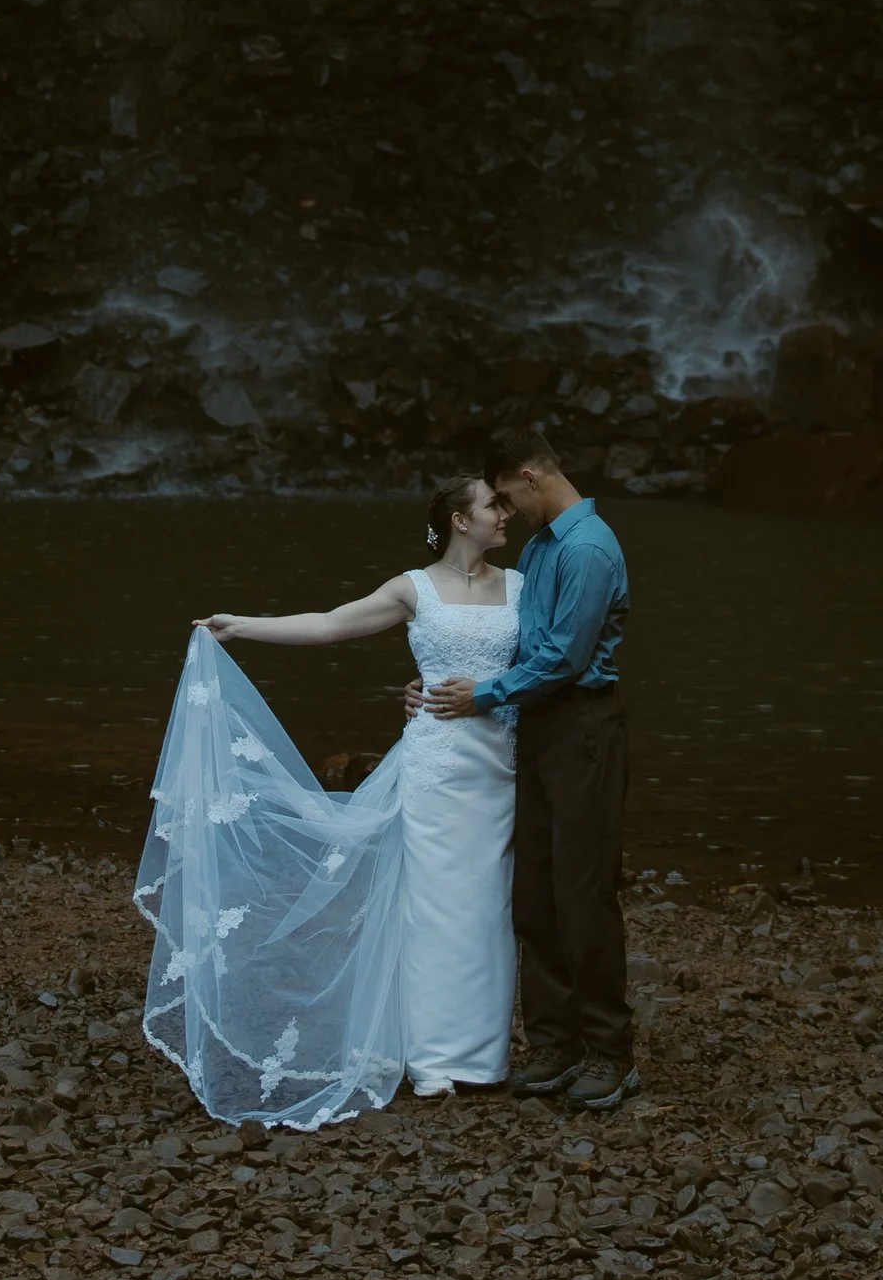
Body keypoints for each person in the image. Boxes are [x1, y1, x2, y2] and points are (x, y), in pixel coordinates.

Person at [135, 471, 519, 1122]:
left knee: (487, 907)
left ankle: (481, 1058)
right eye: (493, 505)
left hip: (499, 763)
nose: (505, 514)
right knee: (432, 909)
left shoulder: (523, 587)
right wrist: (244, 626)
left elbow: (548, 662)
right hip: (434, 765)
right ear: (460, 518)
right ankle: (430, 1060)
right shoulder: (413, 587)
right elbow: (330, 626)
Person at [424, 434, 633, 1112]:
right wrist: (433, 685)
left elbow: (567, 659)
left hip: (582, 727)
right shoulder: (545, 548)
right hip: (537, 725)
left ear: (530, 475)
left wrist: (482, 696)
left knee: (584, 890)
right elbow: (505, 639)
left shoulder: (589, 547)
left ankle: (608, 1051)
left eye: (507, 495)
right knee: (535, 889)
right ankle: (554, 1041)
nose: (506, 511)